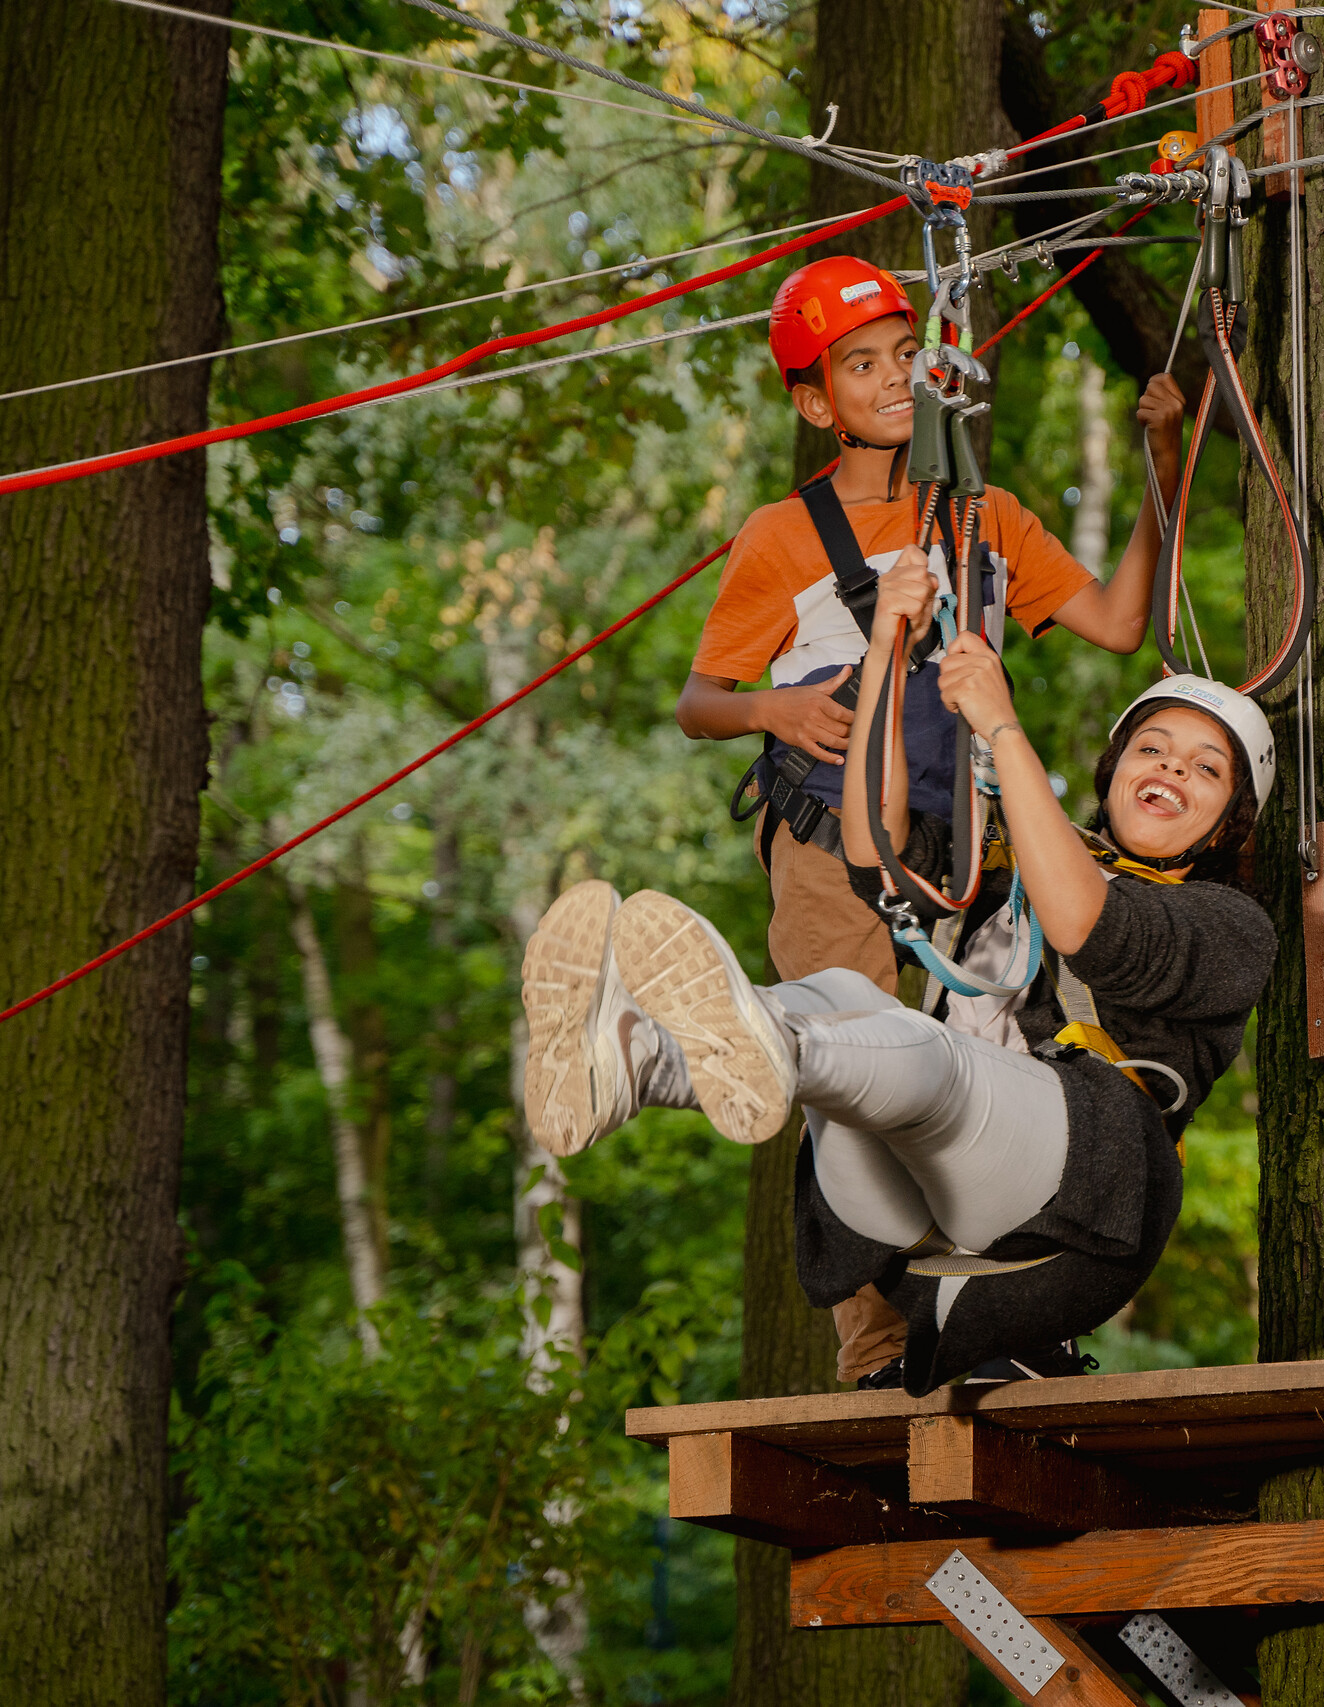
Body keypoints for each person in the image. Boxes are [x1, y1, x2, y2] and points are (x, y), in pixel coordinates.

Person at [518, 545, 1276, 1391]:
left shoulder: (1229, 927)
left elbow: (1087, 923)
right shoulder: (1009, 867)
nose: (1171, 766)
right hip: (908, 1239)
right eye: (1153, 748)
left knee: (916, 1046)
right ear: (1116, 769)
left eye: (1206, 768)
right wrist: (884, 641)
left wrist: (1000, 725)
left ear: (1229, 825)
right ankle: (637, 1058)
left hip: (1067, 1217)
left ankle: (765, 1037)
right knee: (845, 995)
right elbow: (872, 842)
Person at [645, 254, 1182, 1384]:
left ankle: (988, 1320)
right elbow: (699, 703)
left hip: (966, 856)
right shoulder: (781, 536)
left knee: (978, 1062)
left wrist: (1163, 469)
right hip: (829, 846)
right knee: (850, 1048)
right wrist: (777, 707)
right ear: (812, 399)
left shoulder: (987, 518)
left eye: (901, 356)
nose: (890, 380)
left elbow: (1121, 623)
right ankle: (873, 1346)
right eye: (858, 365)